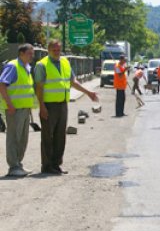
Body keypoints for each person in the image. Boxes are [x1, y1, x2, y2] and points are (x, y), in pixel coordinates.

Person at [34, 40, 98, 175]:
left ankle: (56, 164)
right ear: (48, 50)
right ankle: (46, 166)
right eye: (54, 50)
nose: (57, 52)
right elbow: (39, 87)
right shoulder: (42, 65)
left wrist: (88, 93)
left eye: (58, 50)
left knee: (60, 136)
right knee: (47, 136)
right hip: (49, 105)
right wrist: (42, 106)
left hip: (62, 104)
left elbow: (72, 81)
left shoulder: (65, 62)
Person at [0, 44, 36, 177]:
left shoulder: (26, 67)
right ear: (21, 53)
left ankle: (18, 164)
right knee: (13, 138)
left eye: (32, 53)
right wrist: (9, 105)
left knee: (22, 139)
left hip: (24, 109)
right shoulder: (13, 66)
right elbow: (2, 85)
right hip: (14, 110)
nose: (32, 56)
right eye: (29, 53)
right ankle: (13, 167)